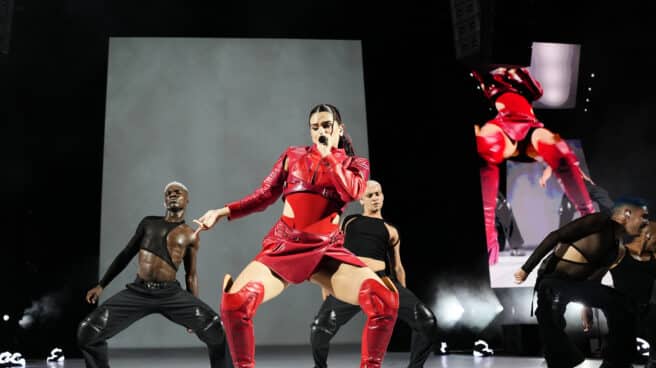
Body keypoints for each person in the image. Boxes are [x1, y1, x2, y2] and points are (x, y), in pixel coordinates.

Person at [194, 104, 399, 368]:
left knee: (384, 302)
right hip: (285, 246)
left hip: (327, 252)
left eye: (327, 125)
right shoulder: (293, 156)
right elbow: (264, 196)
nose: (321, 131)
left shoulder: (355, 164)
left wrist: (329, 158)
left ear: (340, 128)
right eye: (315, 127)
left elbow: (353, 193)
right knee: (235, 303)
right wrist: (221, 212)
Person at [77, 182, 232, 368]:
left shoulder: (191, 234)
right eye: (169, 193)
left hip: (171, 294)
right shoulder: (148, 223)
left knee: (216, 329)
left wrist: (193, 309)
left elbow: (190, 275)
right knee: (88, 331)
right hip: (138, 292)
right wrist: (101, 285)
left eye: (178, 192)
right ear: (164, 201)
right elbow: (125, 255)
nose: (173, 195)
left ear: (187, 199)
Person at [309, 180, 439, 368]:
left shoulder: (391, 230)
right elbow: (332, 253)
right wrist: (327, 284)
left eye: (378, 194)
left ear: (383, 196)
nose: (375, 198)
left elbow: (398, 267)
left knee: (426, 320)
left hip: (382, 282)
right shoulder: (350, 221)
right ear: (361, 199)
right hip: (351, 281)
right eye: (370, 195)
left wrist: (403, 297)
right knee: (319, 328)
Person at [473, 66, 595, 265]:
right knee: (487, 146)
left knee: (560, 150)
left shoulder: (518, 74)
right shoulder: (488, 76)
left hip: (531, 125)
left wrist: (515, 71)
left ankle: (591, 225)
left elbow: (537, 91)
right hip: (503, 123)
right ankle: (488, 237)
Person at [514, 198, 650, 368]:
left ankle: (617, 360)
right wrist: (526, 268)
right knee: (550, 308)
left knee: (621, 303)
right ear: (627, 214)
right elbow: (555, 236)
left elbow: (594, 281)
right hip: (554, 281)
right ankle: (561, 360)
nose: (646, 223)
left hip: (576, 287)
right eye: (643, 216)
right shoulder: (599, 221)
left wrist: (587, 309)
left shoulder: (618, 250)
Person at [581, 220, 656, 368]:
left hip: (645, 311)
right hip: (620, 311)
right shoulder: (619, 253)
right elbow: (593, 280)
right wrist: (586, 308)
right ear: (646, 235)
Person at [539, 162, 615, 226]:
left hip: (584, 184)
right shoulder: (555, 160)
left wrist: (588, 179)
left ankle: (613, 219)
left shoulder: (569, 158)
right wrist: (543, 179)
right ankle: (563, 236)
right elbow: (549, 169)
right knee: (566, 213)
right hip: (572, 188)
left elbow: (578, 169)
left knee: (602, 194)